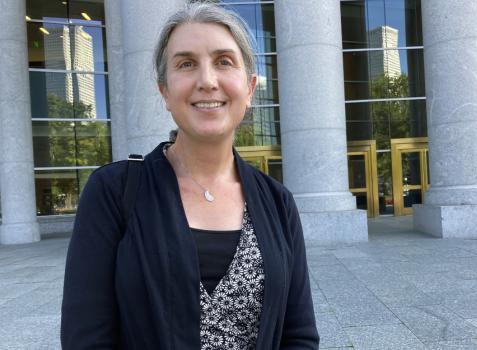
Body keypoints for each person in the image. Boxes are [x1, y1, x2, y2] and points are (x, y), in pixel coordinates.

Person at [60, 2, 319, 349]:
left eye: (224, 61)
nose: (207, 81)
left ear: (250, 87)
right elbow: (87, 339)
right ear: (165, 91)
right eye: (186, 64)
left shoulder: (277, 202)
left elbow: (298, 335)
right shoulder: (113, 192)